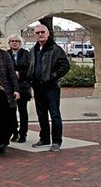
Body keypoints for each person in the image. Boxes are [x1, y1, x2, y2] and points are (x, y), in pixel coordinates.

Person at [27, 24, 70, 152]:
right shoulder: (33, 50)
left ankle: (57, 141)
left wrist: (53, 76)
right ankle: (45, 138)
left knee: (54, 114)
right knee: (41, 115)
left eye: (42, 32)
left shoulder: (55, 49)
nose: (40, 34)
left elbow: (65, 66)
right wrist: (31, 79)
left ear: (48, 33)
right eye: (38, 33)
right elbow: (30, 66)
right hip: (37, 87)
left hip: (51, 87)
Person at [7, 34, 31, 143]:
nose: (14, 42)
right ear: (9, 43)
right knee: (11, 111)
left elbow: (30, 69)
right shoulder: (6, 54)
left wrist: (20, 74)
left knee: (23, 111)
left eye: (17, 41)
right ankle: (14, 132)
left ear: (20, 43)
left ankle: (23, 133)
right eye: (12, 41)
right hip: (10, 87)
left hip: (23, 86)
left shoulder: (26, 54)